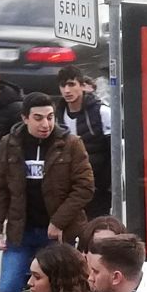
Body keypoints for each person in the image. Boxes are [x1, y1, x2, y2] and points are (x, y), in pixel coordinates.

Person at [0, 93, 94, 292]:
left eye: (50, 117)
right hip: (21, 233)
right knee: (7, 290)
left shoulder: (70, 143)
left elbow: (85, 187)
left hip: (57, 236)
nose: (45, 124)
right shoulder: (10, 143)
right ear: (25, 118)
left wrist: (58, 221)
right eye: (38, 118)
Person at [55, 69, 113, 220]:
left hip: (98, 187)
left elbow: (113, 153)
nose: (67, 90)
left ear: (82, 85)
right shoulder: (56, 115)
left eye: (71, 84)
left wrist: (104, 184)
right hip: (68, 188)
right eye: (63, 86)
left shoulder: (103, 113)